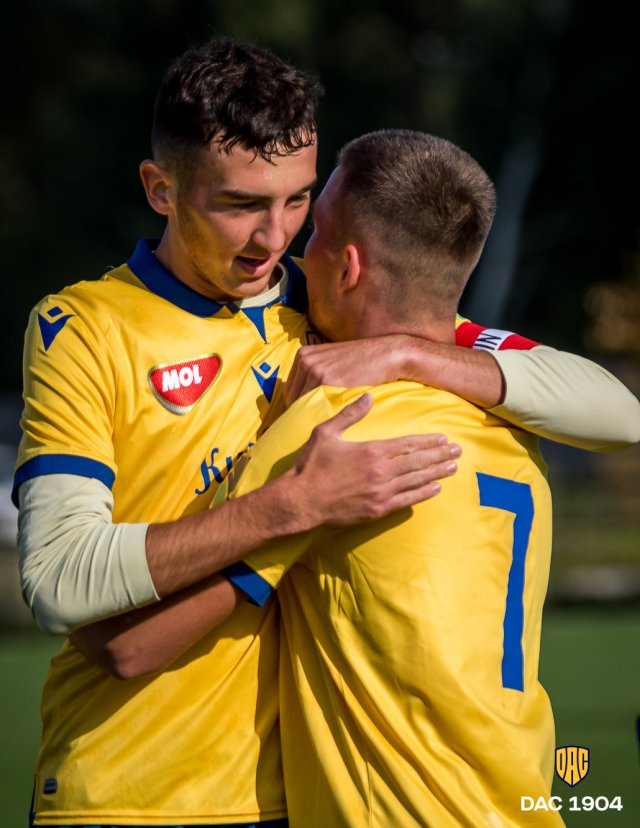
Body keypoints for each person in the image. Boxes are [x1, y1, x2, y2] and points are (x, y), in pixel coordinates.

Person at [14, 37, 638, 828]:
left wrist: (409, 352)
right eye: (240, 204)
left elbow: (615, 411)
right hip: (128, 792)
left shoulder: (333, 308)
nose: (273, 238)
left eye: (298, 201)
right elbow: (59, 583)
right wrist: (291, 508)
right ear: (160, 189)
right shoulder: (84, 329)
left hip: (292, 797)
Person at [217, 129, 565, 826]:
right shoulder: (518, 423)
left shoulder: (332, 425)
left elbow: (134, 646)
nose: (294, 252)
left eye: (314, 232)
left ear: (348, 267)